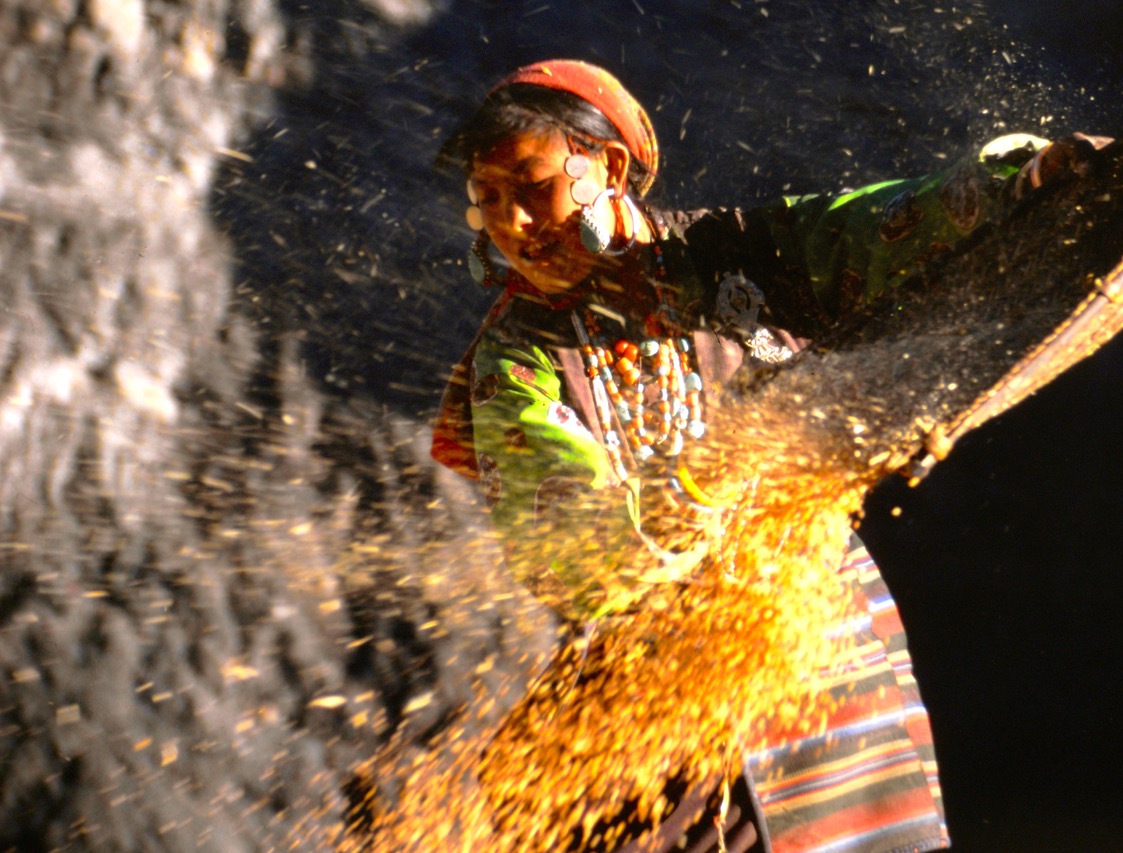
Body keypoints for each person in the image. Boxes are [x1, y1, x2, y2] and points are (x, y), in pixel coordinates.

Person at [429, 59, 1081, 853]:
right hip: (653, 698)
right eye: (488, 200)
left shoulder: (735, 252)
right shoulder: (515, 361)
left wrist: (1030, 177)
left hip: (818, 646)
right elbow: (569, 554)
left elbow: (888, 225)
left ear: (605, 165)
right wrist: (701, 479)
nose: (512, 224)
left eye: (531, 187)